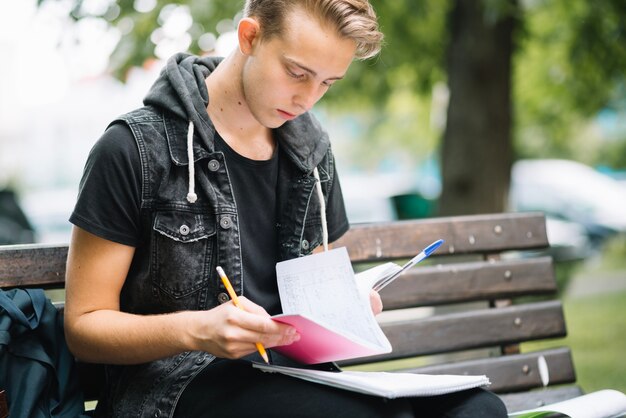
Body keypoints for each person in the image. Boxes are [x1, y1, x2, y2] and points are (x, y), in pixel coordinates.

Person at [64, 0, 508, 417]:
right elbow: (83, 327)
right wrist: (197, 330)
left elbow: (313, 288)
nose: (308, 100)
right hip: (175, 389)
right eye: (298, 73)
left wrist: (343, 310)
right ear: (249, 36)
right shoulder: (133, 148)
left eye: (328, 83)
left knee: (480, 409)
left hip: (293, 376)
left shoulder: (310, 152)